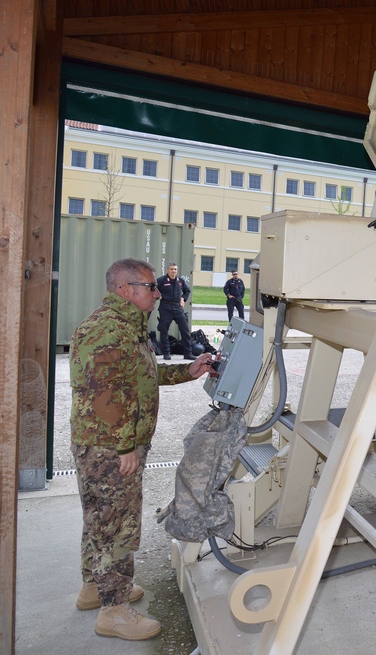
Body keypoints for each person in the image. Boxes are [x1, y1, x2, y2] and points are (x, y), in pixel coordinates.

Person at [70, 258, 213, 641]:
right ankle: (113, 610)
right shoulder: (106, 329)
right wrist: (126, 447)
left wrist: (189, 370)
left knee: (100, 517)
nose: (157, 293)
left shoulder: (127, 327)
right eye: (150, 287)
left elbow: (140, 378)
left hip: (107, 444)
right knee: (117, 523)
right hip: (108, 447)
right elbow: (105, 396)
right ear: (123, 290)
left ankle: (94, 587)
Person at [156, 262, 195, 360]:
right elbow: (153, 289)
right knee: (164, 330)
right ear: (167, 270)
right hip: (165, 307)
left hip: (177, 307)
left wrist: (183, 298)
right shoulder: (161, 280)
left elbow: (187, 291)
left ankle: (188, 353)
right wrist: (158, 296)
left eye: (175, 269)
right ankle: (166, 353)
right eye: (171, 269)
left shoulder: (180, 281)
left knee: (185, 330)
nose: (173, 271)